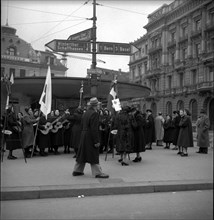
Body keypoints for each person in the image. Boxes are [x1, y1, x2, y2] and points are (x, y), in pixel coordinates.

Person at [72, 97, 109, 178]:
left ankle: (77, 170)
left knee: (82, 154)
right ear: (96, 105)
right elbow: (94, 128)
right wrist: (96, 141)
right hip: (90, 136)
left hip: (84, 135)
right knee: (93, 154)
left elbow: (82, 125)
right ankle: (97, 172)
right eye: (99, 104)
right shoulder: (94, 113)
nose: (99, 106)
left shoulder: (85, 113)